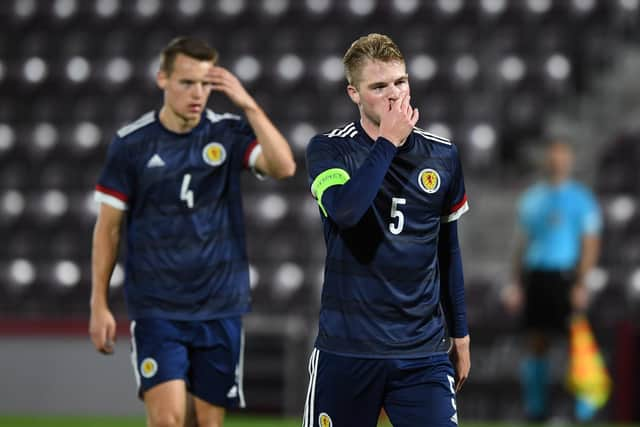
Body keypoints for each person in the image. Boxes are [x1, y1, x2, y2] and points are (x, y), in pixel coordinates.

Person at [88, 36, 296, 427]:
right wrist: (98, 303)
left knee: (207, 423)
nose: (197, 93)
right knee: (168, 421)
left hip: (219, 305)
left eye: (205, 83)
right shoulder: (132, 144)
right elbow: (108, 229)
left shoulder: (227, 133)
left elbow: (283, 166)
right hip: (158, 308)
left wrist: (248, 104)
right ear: (162, 79)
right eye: (187, 82)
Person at [302, 33, 471, 427]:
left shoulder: (442, 155)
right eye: (378, 86)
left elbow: (449, 250)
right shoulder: (329, 150)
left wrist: (460, 334)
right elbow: (346, 212)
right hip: (347, 349)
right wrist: (388, 144)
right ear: (354, 94)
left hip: (421, 352)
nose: (394, 95)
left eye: (400, 82)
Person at [503, 139, 602, 421]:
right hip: (536, 276)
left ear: (569, 161)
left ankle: (583, 410)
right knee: (535, 342)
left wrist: (582, 282)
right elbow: (521, 245)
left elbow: (590, 244)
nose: (556, 161)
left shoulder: (581, 199)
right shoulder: (532, 198)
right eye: (553, 157)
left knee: (575, 341)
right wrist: (515, 283)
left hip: (565, 277)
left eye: (561, 157)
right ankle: (536, 410)